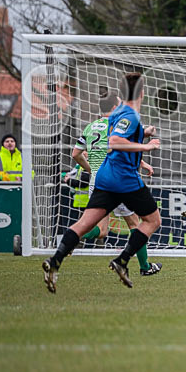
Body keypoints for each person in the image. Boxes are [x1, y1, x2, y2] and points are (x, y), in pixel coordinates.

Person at [42, 72, 161, 293]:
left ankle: (55, 260)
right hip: (124, 178)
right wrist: (146, 146)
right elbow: (115, 141)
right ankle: (123, 260)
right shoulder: (131, 114)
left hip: (104, 177)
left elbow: (117, 136)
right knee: (152, 221)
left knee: (86, 224)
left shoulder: (116, 113)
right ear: (142, 93)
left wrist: (143, 133)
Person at [71, 91, 162, 277]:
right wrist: (143, 158)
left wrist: (90, 170)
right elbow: (121, 148)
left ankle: (71, 238)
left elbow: (75, 154)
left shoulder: (90, 127)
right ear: (114, 108)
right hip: (116, 177)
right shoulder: (115, 125)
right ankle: (145, 267)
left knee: (102, 230)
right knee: (136, 223)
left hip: (97, 179)